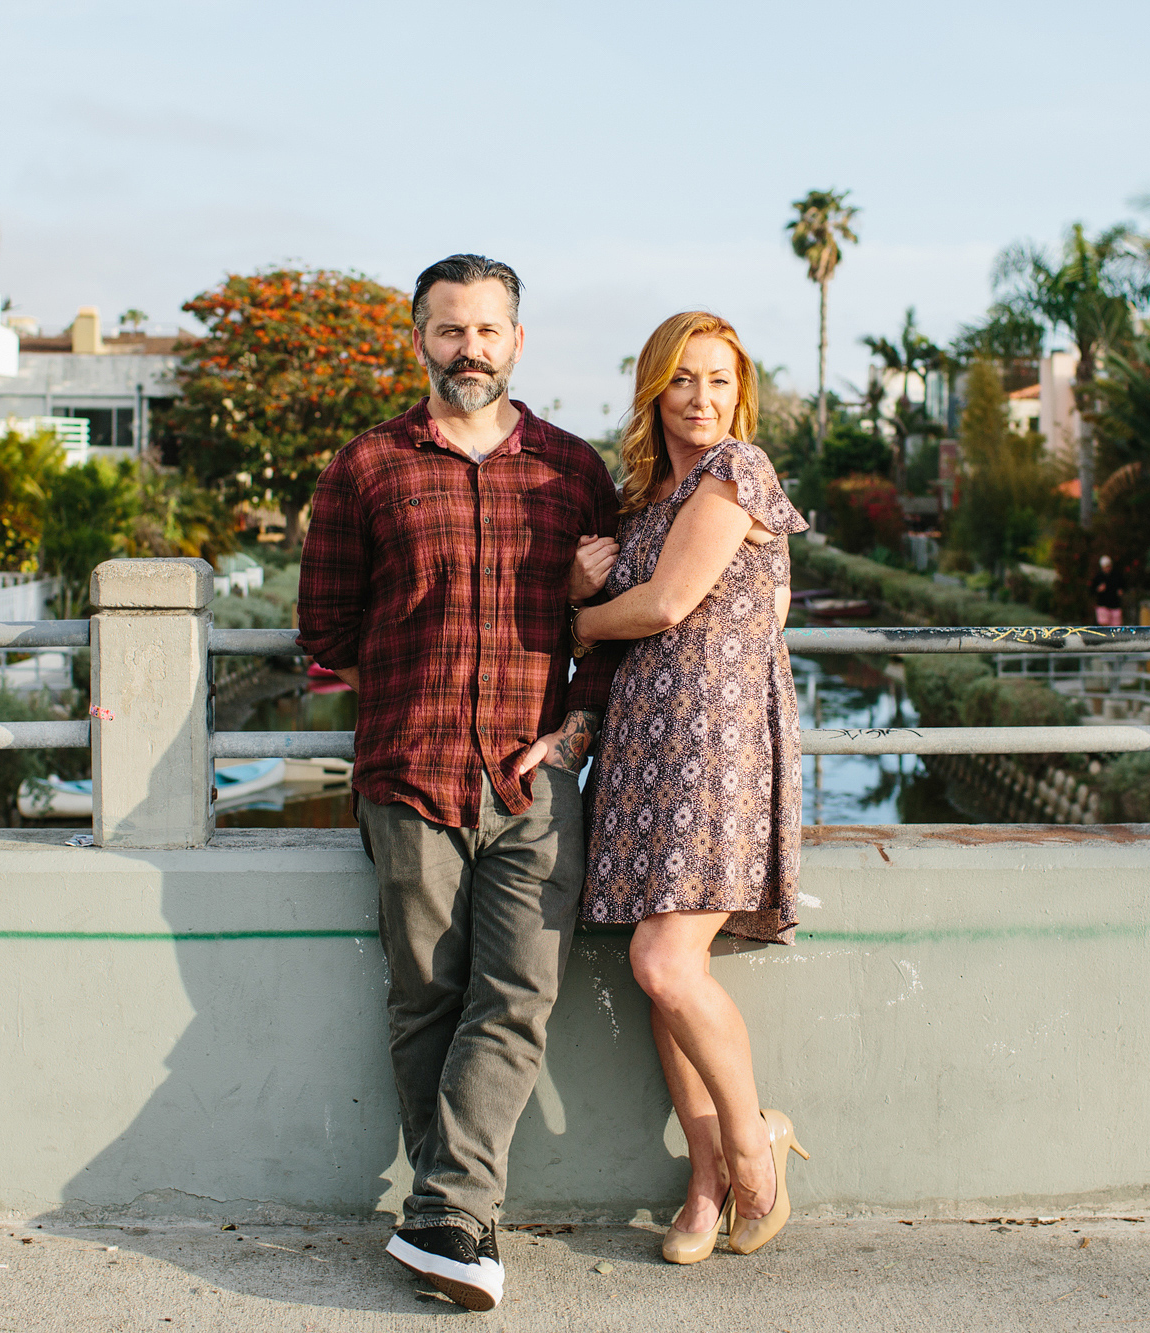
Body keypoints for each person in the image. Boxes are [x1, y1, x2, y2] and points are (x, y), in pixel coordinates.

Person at [296, 254, 620, 1312]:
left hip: (532, 776)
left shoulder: (572, 472)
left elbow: (610, 630)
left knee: (520, 990)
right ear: (420, 340)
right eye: (447, 330)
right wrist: (410, 677)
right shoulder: (366, 467)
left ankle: (443, 1210)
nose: (467, 348)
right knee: (423, 992)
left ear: (516, 342)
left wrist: (573, 726)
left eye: (486, 330)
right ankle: (460, 1221)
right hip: (409, 768)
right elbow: (326, 627)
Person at [569, 311, 812, 1266]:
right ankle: (704, 1184)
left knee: (666, 963)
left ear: (739, 391)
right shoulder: (646, 503)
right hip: (641, 750)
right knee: (666, 975)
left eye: (718, 380)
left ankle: (755, 1150)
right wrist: (577, 589)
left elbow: (668, 605)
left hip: (715, 748)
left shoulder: (738, 472)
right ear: (654, 392)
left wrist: (585, 621)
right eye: (682, 380)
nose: (701, 398)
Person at [1091, 554, 1126, 627]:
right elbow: (1092, 590)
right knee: (1104, 626)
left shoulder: (1117, 576)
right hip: (1103, 605)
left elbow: (1124, 586)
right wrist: (1098, 589)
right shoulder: (1098, 577)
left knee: (1116, 627)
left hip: (1115, 605)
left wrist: (1121, 591)